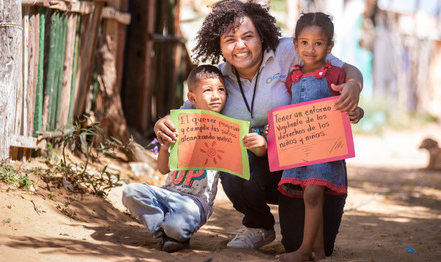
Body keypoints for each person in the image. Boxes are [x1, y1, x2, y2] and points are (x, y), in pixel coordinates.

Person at [154, 0, 363, 252]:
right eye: (230, 39)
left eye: (248, 36)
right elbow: (185, 114)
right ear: (218, 45)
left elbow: (346, 69)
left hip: (307, 164)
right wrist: (162, 123)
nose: (239, 45)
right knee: (233, 159)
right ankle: (258, 225)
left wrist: (352, 85)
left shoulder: (290, 49)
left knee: (304, 246)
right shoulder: (218, 80)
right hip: (260, 168)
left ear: (262, 36)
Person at [275, 12, 362, 262]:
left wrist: (358, 111)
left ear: (330, 46)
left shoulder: (335, 75)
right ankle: (319, 251)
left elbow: (353, 106)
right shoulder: (293, 76)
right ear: (295, 44)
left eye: (318, 43)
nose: (310, 49)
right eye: (304, 42)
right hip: (300, 149)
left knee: (313, 194)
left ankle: (304, 251)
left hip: (326, 150)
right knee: (310, 195)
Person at [122, 65, 235, 253]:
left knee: (183, 217)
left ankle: (174, 231)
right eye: (208, 90)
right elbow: (163, 169)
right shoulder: (180, 124)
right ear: (191, 98)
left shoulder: (226, 128)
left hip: (194, 203)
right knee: (131, 192)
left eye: (221, 90)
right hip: (168, 193)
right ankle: (165, 231)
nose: (216, 96)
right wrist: (165, 148)